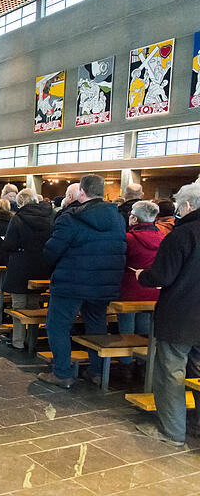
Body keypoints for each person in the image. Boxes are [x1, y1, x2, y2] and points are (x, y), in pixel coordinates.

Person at [40, 174, 126, 389]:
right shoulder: (117, 218)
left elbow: (52, 250)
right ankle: (96, 372)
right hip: (104, 282)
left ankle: (61, 373)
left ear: (81, 192)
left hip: (71, 282)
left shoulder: (70, 218)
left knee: (57, 326)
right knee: (96, 325)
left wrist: (53, 268)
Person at [135, 183, 200, 447]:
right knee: (198, 372)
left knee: (171, 371)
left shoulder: (182, 235)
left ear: (186, 206)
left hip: (180, 315)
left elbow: (163, 275)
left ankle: (172, 431)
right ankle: (196, 424)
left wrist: (143, 276)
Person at [3, 189, 52, 350]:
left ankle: (17, 341)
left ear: (21, 202)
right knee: (33, 306)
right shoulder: (47, 219)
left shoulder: (17, 219)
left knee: (18, 305)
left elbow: (9, 243)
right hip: (39, 265)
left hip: (20, 265)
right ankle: (32, 340)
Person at [116, 200, 163, 365]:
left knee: (127, 327)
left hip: (129, 290)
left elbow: (120, 262)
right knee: (144, 326)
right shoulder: (163, 237)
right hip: (153, 290)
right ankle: (143, 362)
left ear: (135, 219)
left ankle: (126, 362)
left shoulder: (128, 238)